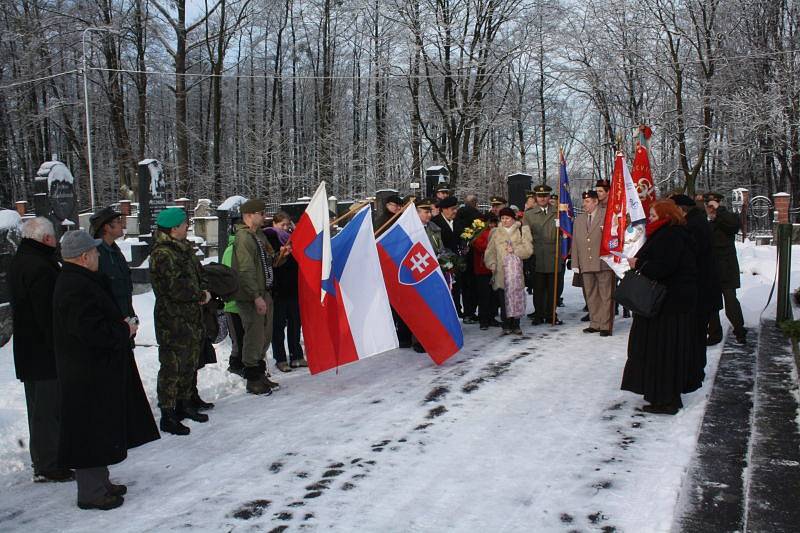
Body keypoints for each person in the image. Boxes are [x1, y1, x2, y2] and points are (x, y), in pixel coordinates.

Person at [53, 230, 159, 510]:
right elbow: (90, 331)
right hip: (86, 373)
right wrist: (123, 328)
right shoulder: (75, 286)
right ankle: (90, 492)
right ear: (84, 256)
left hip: (94, 370)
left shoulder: (81, 280)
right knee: (89, 431)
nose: (99, 255)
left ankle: (101, 481)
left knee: (99, 428)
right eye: (95, 252)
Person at [621, 200, 700, 415]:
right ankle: (660, 395)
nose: (651, 219)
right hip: (667, 303)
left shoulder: (670, 235)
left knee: (664, 352)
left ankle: (667, 399)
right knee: (661, 351)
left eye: (654, 215)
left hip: (668, 305)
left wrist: (639, 264)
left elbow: (664, 267)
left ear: (666, 215)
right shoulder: (668, 233)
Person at [8, 217, 72, 483]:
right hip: (43, 352)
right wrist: (62, 344)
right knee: (47, 411)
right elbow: (47, 313)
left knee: (40, 409)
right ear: (46, 239)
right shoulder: (40, 267)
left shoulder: (22, 259)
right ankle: (49, 463)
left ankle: (46, 459)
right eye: (54, 236)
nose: (56, 241)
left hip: (29, 350)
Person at [149, 207, 210, 435]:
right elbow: (174, 287)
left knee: (189, 361)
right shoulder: (163, 254)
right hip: (172, 320)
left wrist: (204, 289)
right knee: (172, 366)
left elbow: (199, 274)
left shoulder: (184, 249)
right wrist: (199, 295)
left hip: (190, 317)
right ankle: (168, 412)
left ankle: (184, 403)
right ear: (174, 228)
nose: (187, 227)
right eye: (184, 224)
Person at [232, 199, 291, 394]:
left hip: (265, 291)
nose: (264, 215)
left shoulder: (259, 236)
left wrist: (282, 255)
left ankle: (260, 373)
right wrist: (255, 296)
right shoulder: (244, 238)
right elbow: (246, 269)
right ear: (249, 216)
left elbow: (271, 262)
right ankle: (252, 377)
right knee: (254, 335)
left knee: (265, 335)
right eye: (260, 212)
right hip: (251, 295)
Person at [671, 194, 721, 386]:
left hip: (701, 290)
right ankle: (694, 372)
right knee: (696, 335)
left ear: (681, 209)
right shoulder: (697, 222)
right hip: (702, 288)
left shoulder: (694, 226)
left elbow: (692, 257)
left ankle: (693, 375)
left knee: (695, 335)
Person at [264, 212, 306, 372]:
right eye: (282, 225)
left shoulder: (293, 237)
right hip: (278, 289)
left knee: (295, 324)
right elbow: (272, 262)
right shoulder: (269, 237)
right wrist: (282, 254)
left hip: (293, 287)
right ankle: (280, 358)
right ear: (274, 224)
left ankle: (296, 355)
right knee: (279, 326)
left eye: (288, 225)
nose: (285, 228)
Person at [705, 192, 747, 345]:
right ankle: (714, 334)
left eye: (713, 205)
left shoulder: (727, 218)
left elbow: (734, 227)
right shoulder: (706, 223)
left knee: (730, 303)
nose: (710, 209)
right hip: (711, 268)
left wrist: (719, 211)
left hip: (727, 268)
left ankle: (740, 331)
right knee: (712, 304)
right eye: (708, 206)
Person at [484, 207, 533, 335]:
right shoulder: (495, 232)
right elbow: (490, 251)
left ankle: (516, 324)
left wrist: (515, 250)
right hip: (501, 271)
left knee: (516, 297)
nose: (505, 221)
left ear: (513, 218)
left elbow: (528, 250)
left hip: (516, 272)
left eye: (507, 218)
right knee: (503, 299)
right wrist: (492, 263)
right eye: (502, 218)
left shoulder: (521, 230)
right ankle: (506, 324)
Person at [571, 191, 614, 336]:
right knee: (590, 293)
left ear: (596, 202)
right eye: (584, 202)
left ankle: (605, 325)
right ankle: (595, 323)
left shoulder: (607, 215)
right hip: (586, 261)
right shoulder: (579, 219)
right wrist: (575, 262)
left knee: (605, 294)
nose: (584, 204)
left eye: (588, 201)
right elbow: (575, 243)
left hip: (603, 261)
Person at [523, 184, 563, 325]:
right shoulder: (528, 215)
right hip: (537, 255)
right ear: (536, 197)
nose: (542, 198)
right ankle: (539, 314)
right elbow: (526, 236)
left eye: (545, 195)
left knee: (553, 288)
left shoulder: (558, 212)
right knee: (538, 288)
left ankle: (551, 314)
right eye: (540, 196)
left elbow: (566, 233)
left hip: (554, 255)